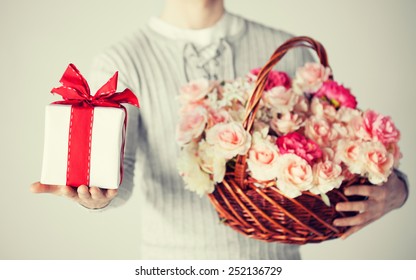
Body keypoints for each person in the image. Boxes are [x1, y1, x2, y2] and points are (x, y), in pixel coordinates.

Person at [31, 0, 409, 259]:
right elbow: (121, 173)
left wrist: (399, 189)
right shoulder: (122, 61)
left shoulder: (289, 50)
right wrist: (97, 197)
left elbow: (337, 151)